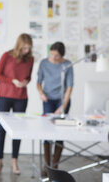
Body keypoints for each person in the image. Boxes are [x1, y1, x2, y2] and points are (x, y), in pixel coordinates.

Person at [0, 33, 34, 176]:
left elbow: (29, 76)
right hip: (4, 96)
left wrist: (26, 82)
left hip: (21, 97)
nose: (26, 51)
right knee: (1, 130)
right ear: (19, 45)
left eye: (29, 48)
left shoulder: (30, 59)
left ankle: (14, 161)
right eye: (24, 48)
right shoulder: (7, 56)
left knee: (18, 130)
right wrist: (13, 81)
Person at [36, 41, 74, 175]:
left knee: (60, 133)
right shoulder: (44, 63)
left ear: (61, 55)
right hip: (48, 100)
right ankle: (47, 166)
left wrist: (63, 106)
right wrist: (41, 93)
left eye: (56, 55)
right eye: (51, 54)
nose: (53, 57)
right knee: (47, 132)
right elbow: (39, 82)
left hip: (62, 100)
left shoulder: (67, 65)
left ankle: (55, 166)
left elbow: (69, 87)